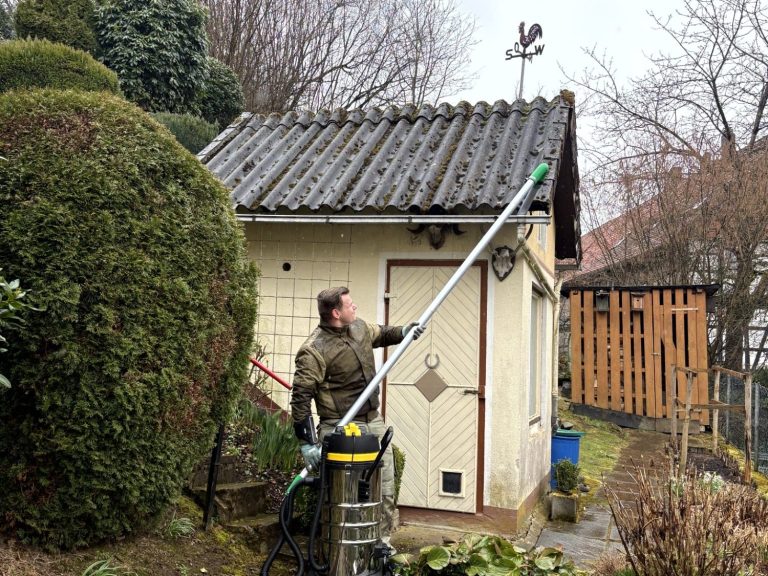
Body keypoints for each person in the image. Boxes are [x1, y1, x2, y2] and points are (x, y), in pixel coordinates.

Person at [290, 286, 424, 550]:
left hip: (372, 420)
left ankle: (380, 546)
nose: (355, 307)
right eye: (350, 305)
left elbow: (381, 333)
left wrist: (404, 332)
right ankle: (341, 550)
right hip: (340, 427)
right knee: (345, 495)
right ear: (336, 313)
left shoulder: (359, 328)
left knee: (385, 488)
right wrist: (307, 442)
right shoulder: (314, 350)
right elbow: (301, 398)